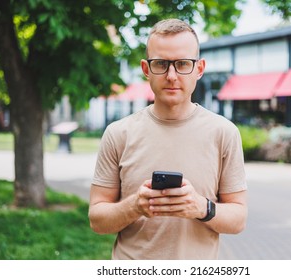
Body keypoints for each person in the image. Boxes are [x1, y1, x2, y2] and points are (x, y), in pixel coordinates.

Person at [88, 18, 248, 260]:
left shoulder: (224, 133)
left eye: (183, 64)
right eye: (161, 64)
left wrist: (200, 207)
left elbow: (238, 219)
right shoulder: (118, 133)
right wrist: (135, 206)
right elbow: (97, 221)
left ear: (199, 69)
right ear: (146, 69)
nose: (172, 76)